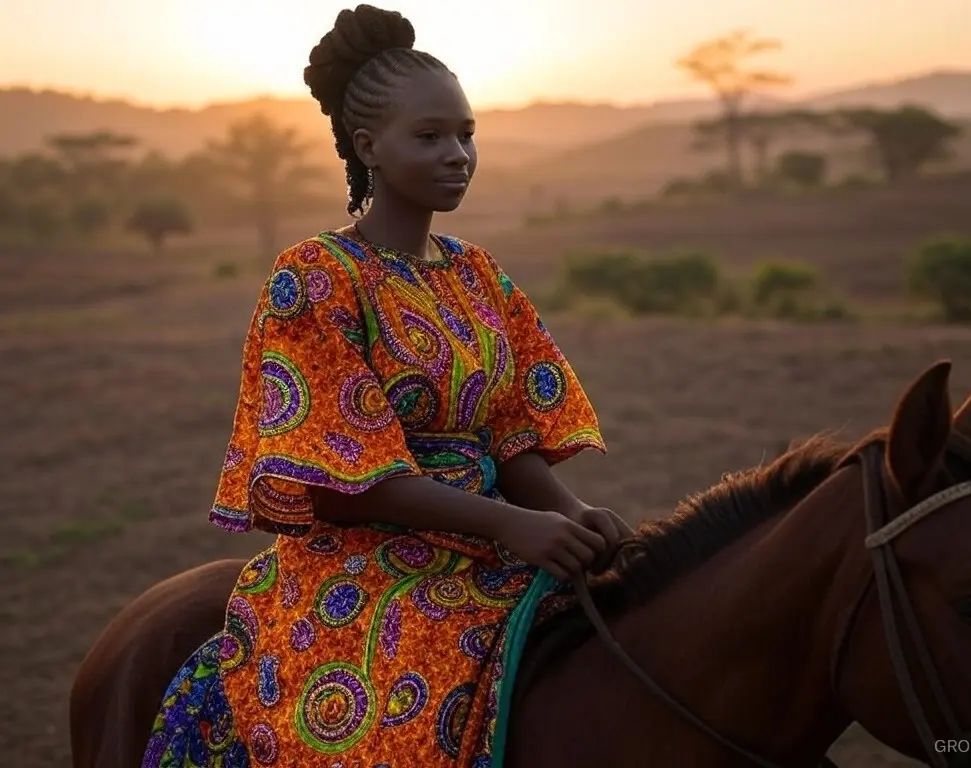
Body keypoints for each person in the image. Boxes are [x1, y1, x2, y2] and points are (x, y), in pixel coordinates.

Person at [142, 5, 624, 767]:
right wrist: (507, 526)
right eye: (430, 136)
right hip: (363, 558)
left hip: (493, 536)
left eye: (466, 134)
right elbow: (337, 479)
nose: (458, 154)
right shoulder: (316, 277)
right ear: (368, 147)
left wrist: (572, 513)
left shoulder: (478, 273)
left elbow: (510, 434)